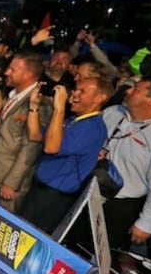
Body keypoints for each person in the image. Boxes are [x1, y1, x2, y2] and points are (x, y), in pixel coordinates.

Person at [20, 78, 112, 234]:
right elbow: (35, 135)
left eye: (82, 91)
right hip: (40, 189)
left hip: (53, 198)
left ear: (99, 98)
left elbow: (51, 147)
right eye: (76, 89)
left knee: (27, 240)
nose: (74, 94)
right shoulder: (74, 121)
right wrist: (34, 106)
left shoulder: (92, 128)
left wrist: (59, 108)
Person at [101, 76, 151, 251]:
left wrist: (147, 223)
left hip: (120, 208)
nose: (127, 91)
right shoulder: (113, 112)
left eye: (136, 89)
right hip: (88, 192)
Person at [0, 51, 52, 212]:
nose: (7, 72)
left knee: (3, 229)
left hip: (11, 185)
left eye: (12, 69)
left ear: (28, 74)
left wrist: (11, 183)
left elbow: (31, 147)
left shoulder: (38, 104)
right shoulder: (14, 95)